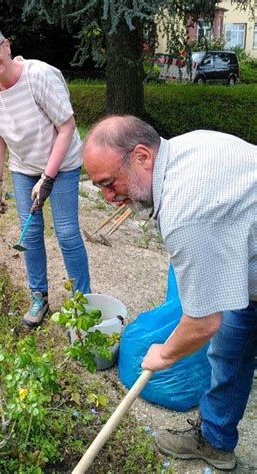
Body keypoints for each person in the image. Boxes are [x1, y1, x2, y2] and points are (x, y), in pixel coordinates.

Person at [83, 115, 256, 471]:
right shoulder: (187, 145)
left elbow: (204, 321)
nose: (108, 197)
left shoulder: (184, 212)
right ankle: (216, 442)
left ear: (142, 156)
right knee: (230, 349)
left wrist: (164, 354)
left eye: (110, 183)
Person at [0, 21, 91, 327]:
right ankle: (39, 297)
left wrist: (47, 178)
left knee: (67, 233)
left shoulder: (39, 76)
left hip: (62, 163)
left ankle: (81, 304)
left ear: (6, 45)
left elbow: (67, 127)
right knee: (30, 234)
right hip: (23, 167)